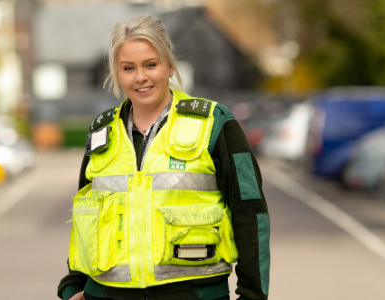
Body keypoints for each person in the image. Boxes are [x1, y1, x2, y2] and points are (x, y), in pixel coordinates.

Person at [58, 15, 271, 300]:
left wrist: (252, 295)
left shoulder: (216, 123)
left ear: (169, 65)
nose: (140, 77)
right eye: (128, 68)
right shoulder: (102, 132)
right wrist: (74, 284)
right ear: (117, 74)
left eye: (150, 64)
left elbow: (250, 211)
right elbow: (86, 214)